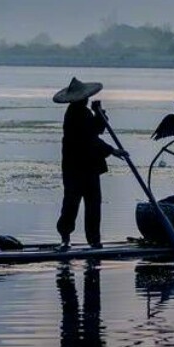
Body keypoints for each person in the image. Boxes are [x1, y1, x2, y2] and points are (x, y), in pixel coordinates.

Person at [53, 76, 124, 249]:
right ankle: (69, 238)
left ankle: (93, 240)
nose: (87, 99)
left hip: (87, 168)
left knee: (91, 205)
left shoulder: (84, 112)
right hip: (77, 168)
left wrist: (99, 114)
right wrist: (112, 151)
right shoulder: (76, 114)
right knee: (72, 204)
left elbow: (96, 131)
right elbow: (91, 138)